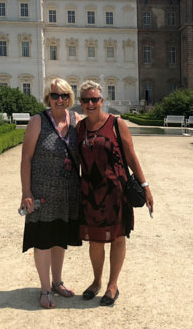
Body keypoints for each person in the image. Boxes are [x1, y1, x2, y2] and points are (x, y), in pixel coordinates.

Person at [76, 80, 154, 306]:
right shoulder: (79, 128)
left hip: (116, 191)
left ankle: (112, 285)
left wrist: (145, 186)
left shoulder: (116, 123)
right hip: (90, 192)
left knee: (118, 238)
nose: (91, 103)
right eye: (86, 100)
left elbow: (131, 157)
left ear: (102, 101)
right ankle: (96, 281)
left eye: (95, 99)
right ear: (80, 102)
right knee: (95, 241)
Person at [20, 77, 82, 309]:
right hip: (42, 192)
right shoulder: (38, 121)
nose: (60, 99)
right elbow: (26, 158)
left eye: (64, 95)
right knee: (43, 238)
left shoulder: (76, 120)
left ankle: (57, 282)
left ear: (70, 98)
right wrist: (26, 192)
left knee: (60, 239)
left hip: (68, 192)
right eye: (55, 95)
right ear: (48, 98)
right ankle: (45, 288)